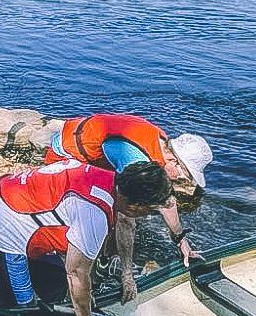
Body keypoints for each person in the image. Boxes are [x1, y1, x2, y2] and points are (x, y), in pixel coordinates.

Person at [0, 159, 171, 316]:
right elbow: (77, 274)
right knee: (23, 314)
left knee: (58, 287)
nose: (149, 215)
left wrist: (84, 297)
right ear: (136, 206)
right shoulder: (94, 214)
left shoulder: (100, 175)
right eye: (151, 210)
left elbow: (62, 221)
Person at [45, 113, 211, 264]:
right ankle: (80, 256)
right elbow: (126, 217)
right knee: (106, 210)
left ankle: (107, 255)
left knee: (116, 205)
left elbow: (167, 200)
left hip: (99, 156)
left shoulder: (162, 148)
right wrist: (127, 274)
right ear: (174, 161)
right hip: (65, 156)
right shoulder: (134, 159)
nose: (181, 180)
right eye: (184, 176)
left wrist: (182, 241)